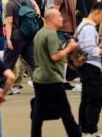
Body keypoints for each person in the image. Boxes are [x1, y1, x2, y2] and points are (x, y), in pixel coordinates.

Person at [31, 9, 81, 137]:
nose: (62, 19)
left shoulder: (40, 33)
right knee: (66, 112)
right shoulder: (51, 35)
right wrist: (69, 48)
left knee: (38, 113)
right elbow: (54, 56)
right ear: (52, 19)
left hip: (39, 78)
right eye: (59, 16)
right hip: (52, 78)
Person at [76, 1, 102, 137]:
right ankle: (91, 129)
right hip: (91, 66)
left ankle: (84, 128)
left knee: (86, 98)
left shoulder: (83, 26)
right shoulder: (89, 28)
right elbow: (89, 50)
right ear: (96, 13)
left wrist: (100, 46)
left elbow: (87, 47)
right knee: (95, 98)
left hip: (85, 66)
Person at [2, 0, 37, 76]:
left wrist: (8, 39)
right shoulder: (28, 1)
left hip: (16, 36)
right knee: (33, 61)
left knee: (8, 62)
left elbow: (9, 22)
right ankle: (43, 82)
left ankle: (3, 85)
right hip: (30, 35)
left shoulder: (10, 3)